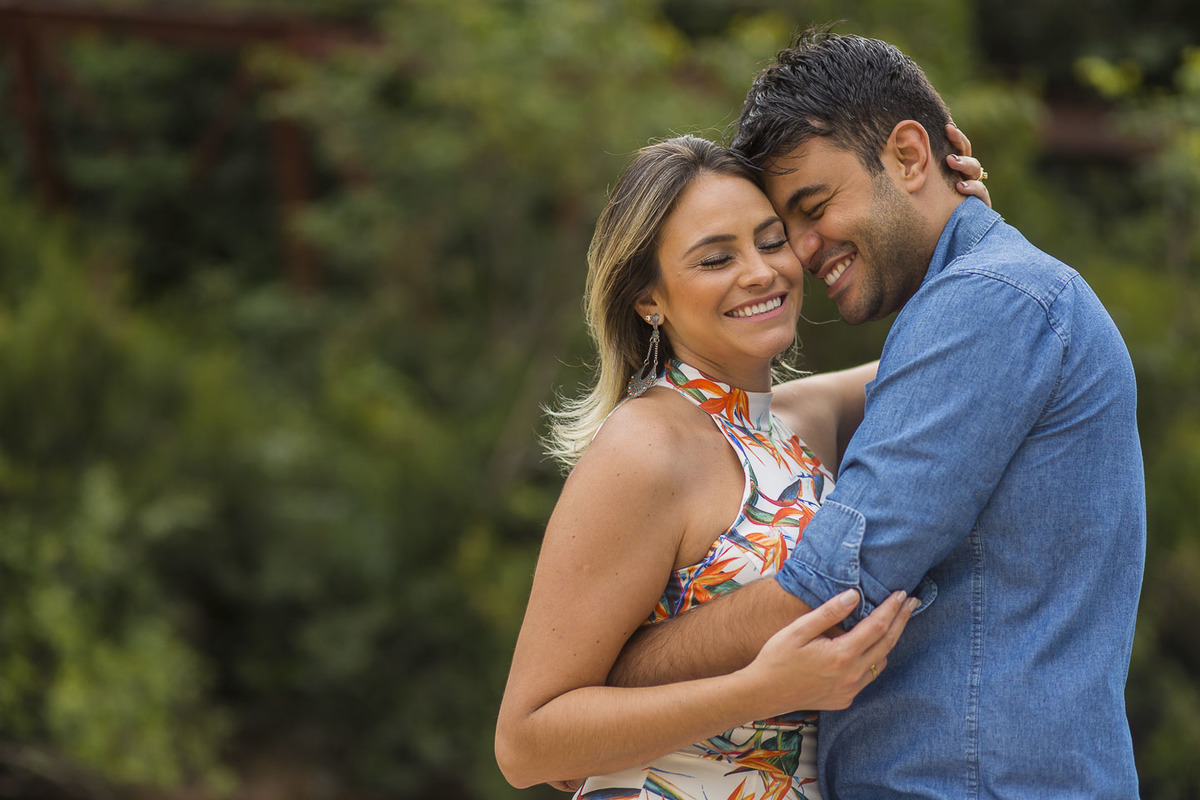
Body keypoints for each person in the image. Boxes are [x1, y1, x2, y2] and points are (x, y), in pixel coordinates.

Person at [608, 29, 1146, 800]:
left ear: (908, 155)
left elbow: (829, 588)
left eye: (813, 206)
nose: (797, 250)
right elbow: (757, 417)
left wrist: (616, 673)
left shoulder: (990, 302)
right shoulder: (995, 303)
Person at [494, 133, 988, 799]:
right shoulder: (646, 447)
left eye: (771, 240)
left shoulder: (797, 421)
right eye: (715, 258)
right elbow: (528, 745)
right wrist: (760, 690)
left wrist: (954, 219)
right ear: (649, 297)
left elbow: (964, 345)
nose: (761, 272)